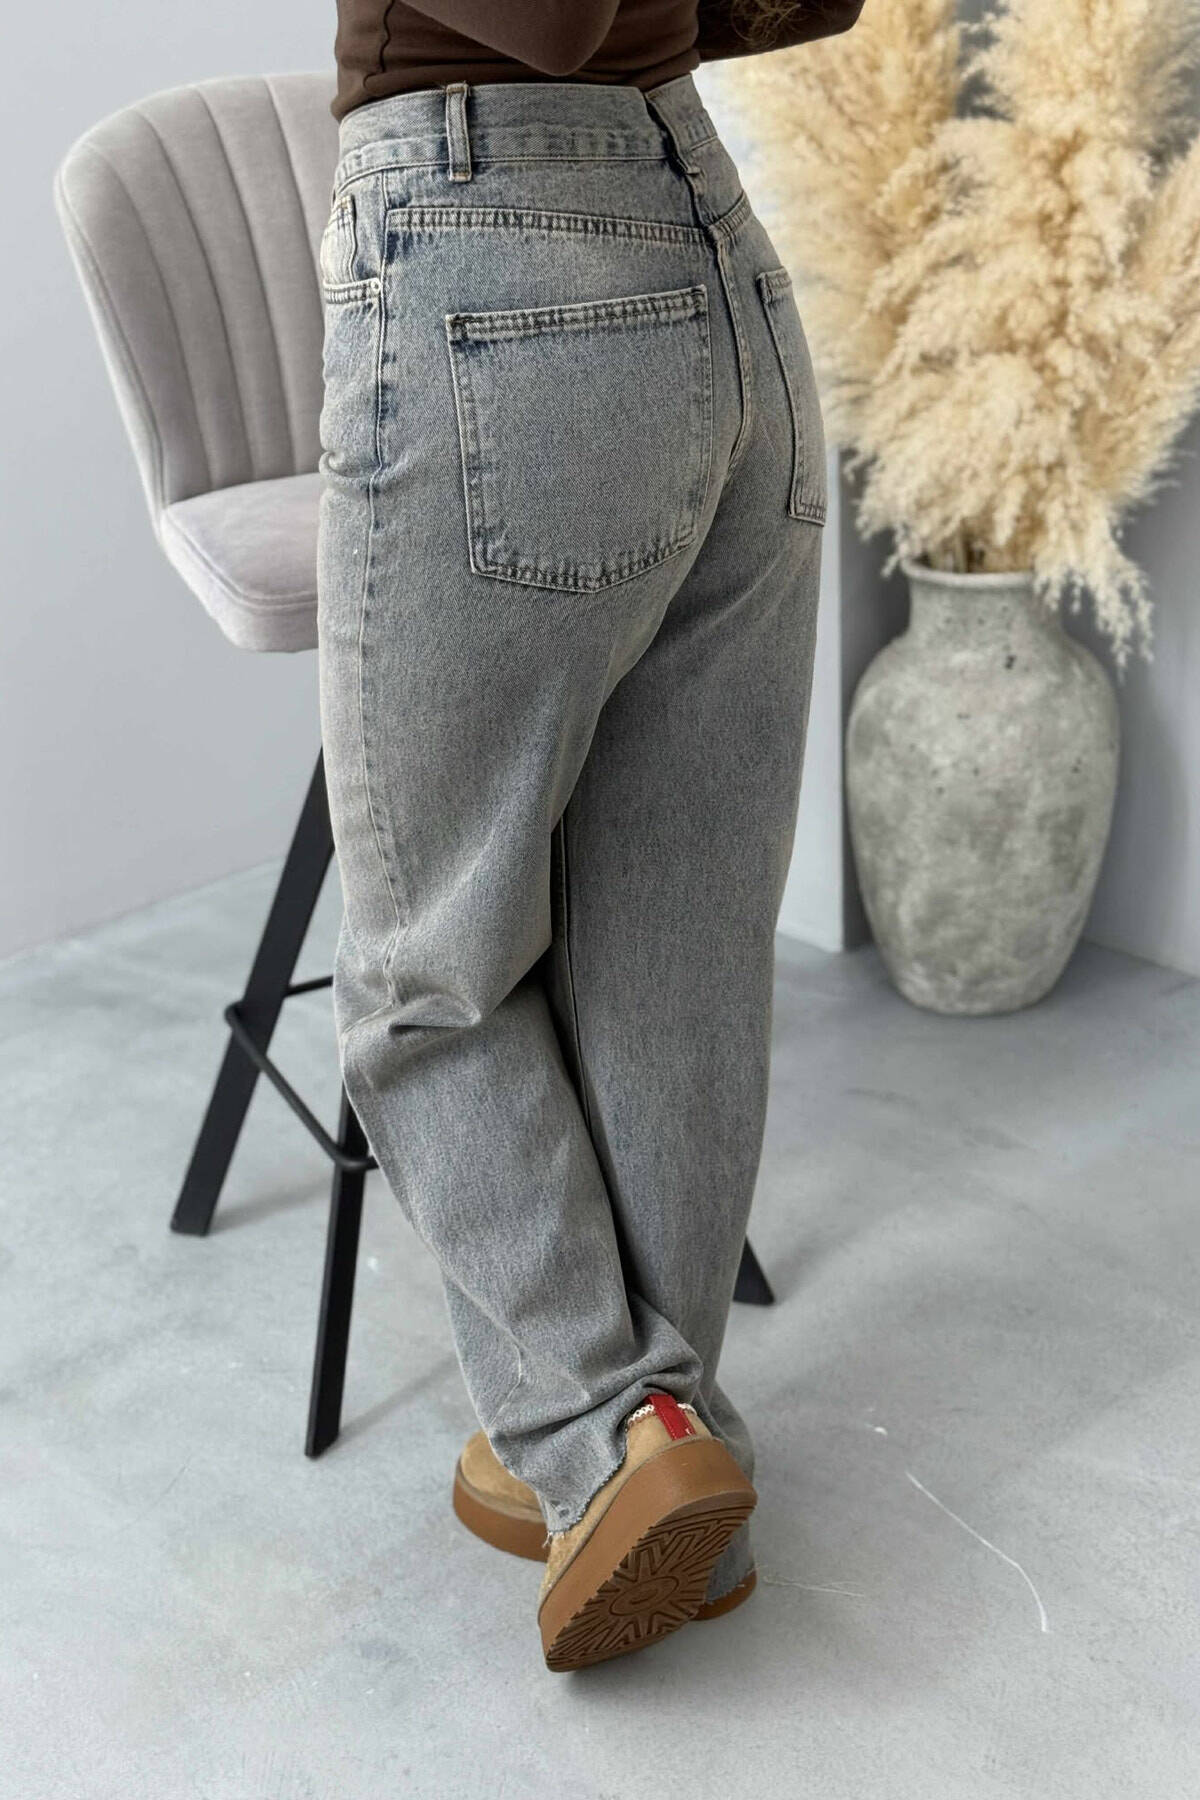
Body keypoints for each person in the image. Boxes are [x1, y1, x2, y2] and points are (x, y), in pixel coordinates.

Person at [317, 0, 864, 1672]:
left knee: (429, 969)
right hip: (721, 274)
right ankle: (666, 1441)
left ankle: (608, 1432)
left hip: (501, 265)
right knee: (674, 947)